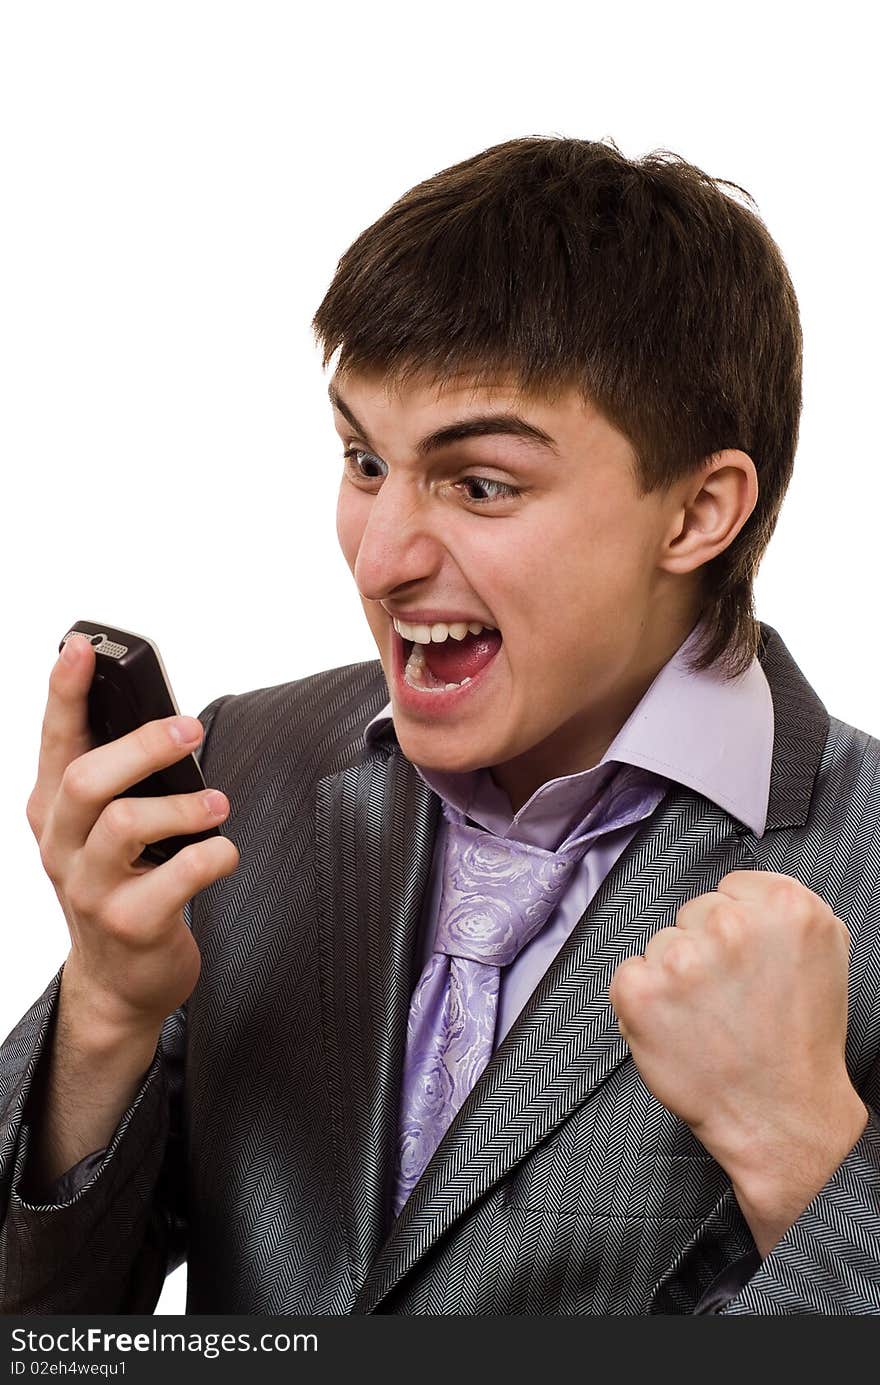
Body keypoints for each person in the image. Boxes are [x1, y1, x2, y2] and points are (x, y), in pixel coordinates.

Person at [1, 136, 878, 1317]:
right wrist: (105, 1012)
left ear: (698, 512)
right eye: (365, 459)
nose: (380, 556)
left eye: (480, 484)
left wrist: (802, 1154)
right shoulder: (240, 772)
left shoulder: (861, 856)